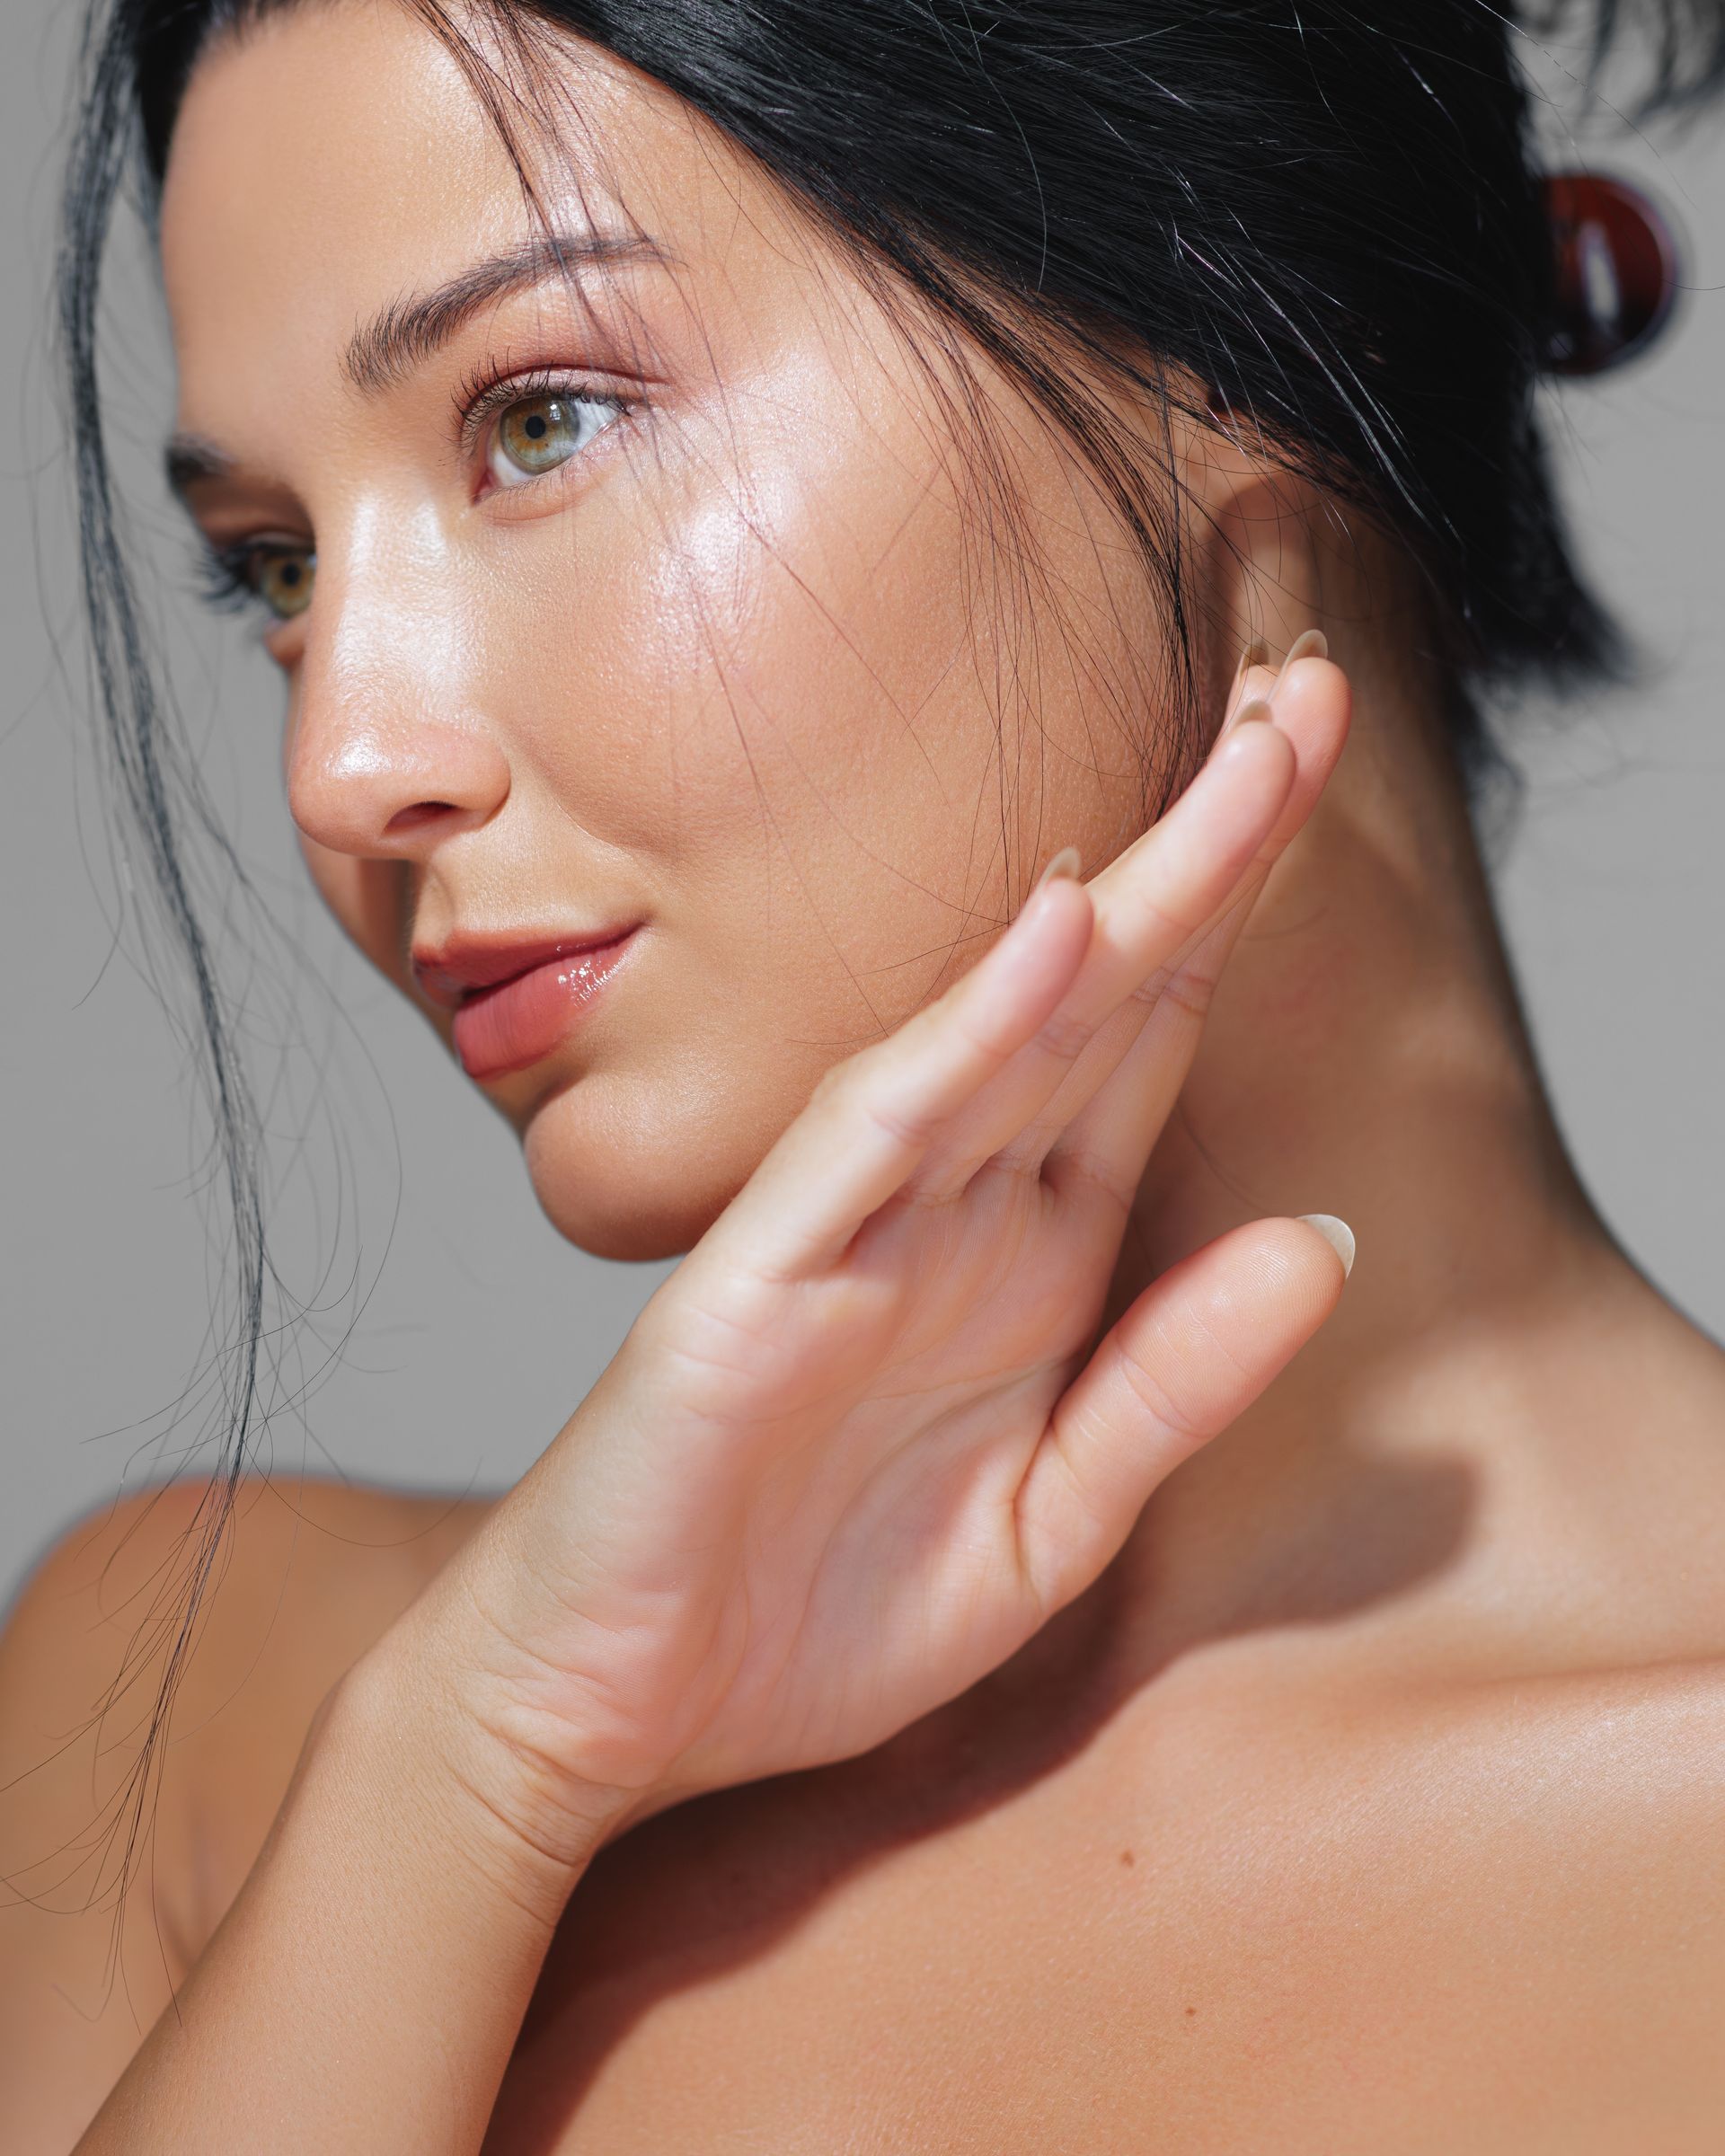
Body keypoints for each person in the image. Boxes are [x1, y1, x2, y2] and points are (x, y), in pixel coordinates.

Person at [4, 0, 1724, 2147]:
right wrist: (477, 1767)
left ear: (1236, 342)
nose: (346, 762)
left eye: (538, 421)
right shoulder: (210, 1732)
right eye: (279, 565)